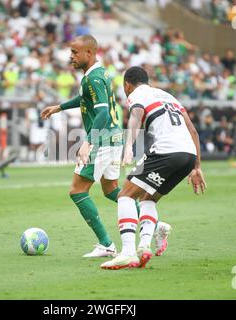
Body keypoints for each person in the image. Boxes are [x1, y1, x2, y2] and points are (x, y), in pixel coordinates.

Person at [41, 35, 169, 258]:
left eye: (74, 52)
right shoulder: (97, 75)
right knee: (111, 190)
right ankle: (155, 224)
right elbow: (85, 100)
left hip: (102, 139)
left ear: (89, 53)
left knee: (77, 191)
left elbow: (100, 111)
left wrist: (88, 141)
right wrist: (59, 107)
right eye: (70, 52)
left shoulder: (94, 79)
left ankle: (106, 244)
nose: (70, 56)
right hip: (112, 137)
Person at [101, 66, 206, 270]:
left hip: (165, 152)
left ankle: (128, 253)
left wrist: (129, 145)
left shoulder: (137, 94)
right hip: (188, 155)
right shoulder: (168, 96)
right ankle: (144, 247)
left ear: (127, 85)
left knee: (125, 195)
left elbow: (136, 116)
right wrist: (197, 167)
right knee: (148, 198)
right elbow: (193, 131)